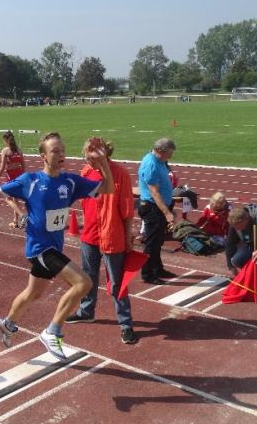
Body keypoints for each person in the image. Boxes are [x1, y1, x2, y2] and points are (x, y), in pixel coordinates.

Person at [0, 132, 114, 360]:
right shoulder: (30, 181)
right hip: (40, 249)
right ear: (43, 156)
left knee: (33, 293)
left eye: (63, 150)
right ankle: (52, 331)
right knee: (84, 282)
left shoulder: (71, 182)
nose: (61, 154)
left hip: (54, 249)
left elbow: (107, 188)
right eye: (55, 151)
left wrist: (103, 161)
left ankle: (8, 323)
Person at [66, 137, 138, 345]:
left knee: (117, 283)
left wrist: (127, 238)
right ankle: (86, 311)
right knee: (88, 278)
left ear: (104, 155)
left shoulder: (120, 174)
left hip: (112, 236)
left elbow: (127, 210)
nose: (89, 160)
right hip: (90, 236)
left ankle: (125, 324)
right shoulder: (86, 172)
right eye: (86, 156)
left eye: (93, 156)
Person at [137, 138, 177, 284]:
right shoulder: (151, 164)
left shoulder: (160, 160)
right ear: (160, 151)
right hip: (152, 208)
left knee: (158, 242)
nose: (170, 156)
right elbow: (154, 192)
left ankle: (157, 269)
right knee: (152, 243)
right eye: (169, 153)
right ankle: (147, 274)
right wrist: (167, 213)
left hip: (158, 207)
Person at [0, 130, 27, 228]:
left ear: (5, 140)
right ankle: (15, 221)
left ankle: (22, 215)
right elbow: (23, 164)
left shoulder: (5, 151)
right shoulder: (19, 150)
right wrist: (24, 176)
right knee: (15, 198)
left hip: (11, 176)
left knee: (7, 198)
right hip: (20, 175)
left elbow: (2, 166)